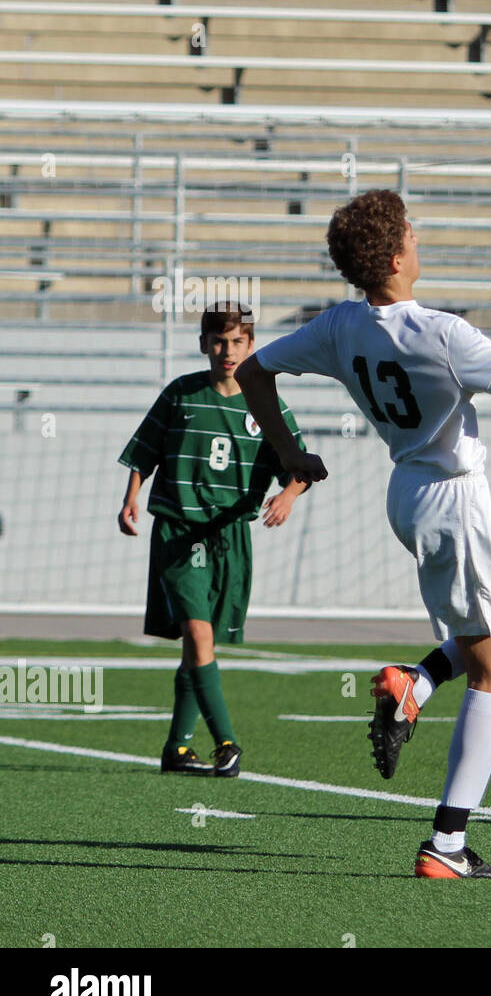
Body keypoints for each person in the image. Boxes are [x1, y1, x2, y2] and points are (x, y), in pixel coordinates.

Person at [236, 189, 491, 880]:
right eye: (414, 237)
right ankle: (446, 847)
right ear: (396, 257)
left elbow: (252, 372)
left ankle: (415, 683)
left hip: (419, 493)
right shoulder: (443, 333)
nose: (420, 244)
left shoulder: (338, 326)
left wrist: (289, 453)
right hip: (453, 504)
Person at [118, 301, 309, 776]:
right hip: (179, 531)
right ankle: (228, 742)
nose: (227, 350)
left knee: (199, 646)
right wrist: (131, 498)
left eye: (238, 342)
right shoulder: (181, 394)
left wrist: (287, 495)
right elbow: (145, 450)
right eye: (219, 341)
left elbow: (301, 465)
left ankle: (177, 749)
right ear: (204, 344)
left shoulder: (265, 405)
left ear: (251, 346)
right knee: (198, 634)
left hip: (230, 537)